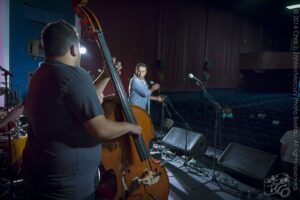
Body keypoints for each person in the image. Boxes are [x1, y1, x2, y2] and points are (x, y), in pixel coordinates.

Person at [22, 20, 141, 200]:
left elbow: (79, 99)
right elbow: (101, 130)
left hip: (41, 179)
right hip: (68, 190)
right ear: (74, 49)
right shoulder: (76, 76)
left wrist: (106, 76)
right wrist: (131, 126)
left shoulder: (40, 74)